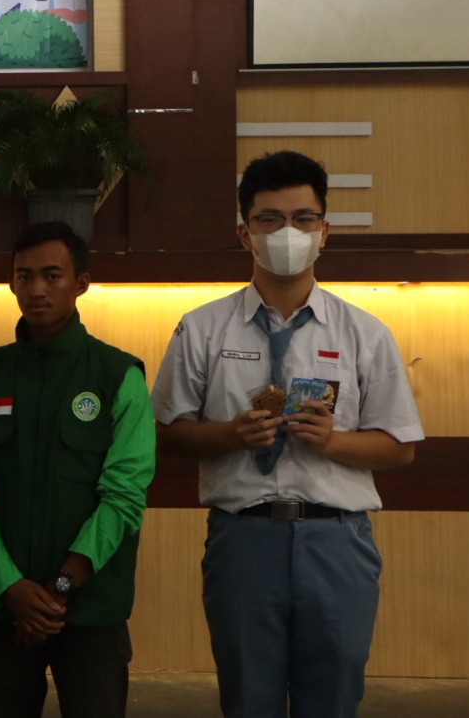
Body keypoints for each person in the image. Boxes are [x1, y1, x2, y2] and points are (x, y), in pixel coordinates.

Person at [151, 151, 423, 718]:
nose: (287, 233)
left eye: (303, 219)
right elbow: (167, 434)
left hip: (337, 540)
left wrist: (332, 441)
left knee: (333, 700)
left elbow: (401, 447)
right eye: (270, 219)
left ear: (325, 231)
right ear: (244, 233)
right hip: (243, 538)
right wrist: (229, 435)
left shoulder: (364, 333)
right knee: (249, 699)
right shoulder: (202, 328)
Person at [0, 221, 156, 718]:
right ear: (12, 283)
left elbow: (123, 497)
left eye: (52, 276)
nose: (37, 289)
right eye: (24, 277)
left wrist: (57, 589)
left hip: (91, 610)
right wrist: (10, 588)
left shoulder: (118, 375)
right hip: (6, 608)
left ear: (81, 283)